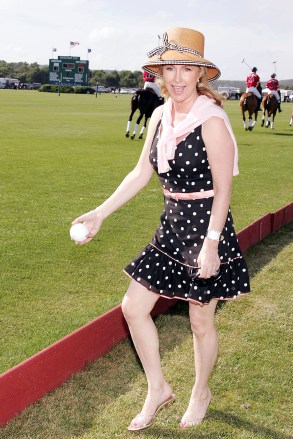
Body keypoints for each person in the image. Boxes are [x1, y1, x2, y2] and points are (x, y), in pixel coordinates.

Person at [72, 27, 250, 431]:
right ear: (161, 72)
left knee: (200, 321)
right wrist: (100, 212)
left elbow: (223, 190)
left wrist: (211, 245)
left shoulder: (212, 121)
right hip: (171, 225)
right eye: (170, 68)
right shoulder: (158, 115)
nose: (177, 77)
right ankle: (158, 388)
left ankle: (200, 391)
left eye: (187, 68)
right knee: (133, 308)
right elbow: (141, 173)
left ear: (200, 74)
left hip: (207, 227)